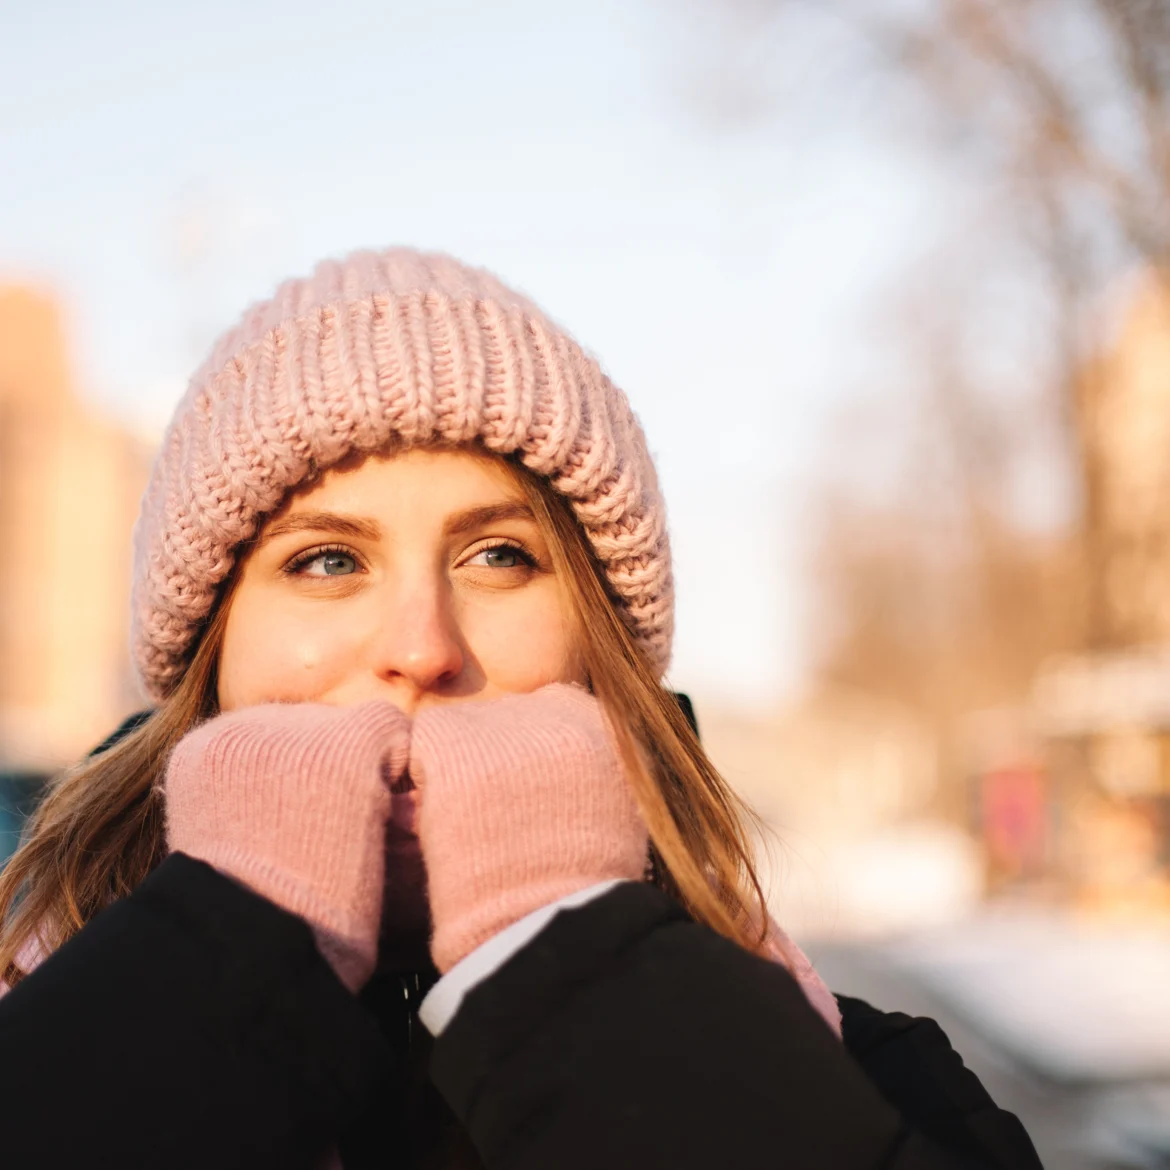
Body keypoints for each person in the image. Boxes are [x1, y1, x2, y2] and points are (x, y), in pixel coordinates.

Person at [0, 248, 1042, 1170]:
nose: (421, 648)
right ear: (208, 652)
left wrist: (564, 965)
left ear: (602, 644)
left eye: (499, 556)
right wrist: (227, 960)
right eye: (326, 560)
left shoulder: (875, 1084)